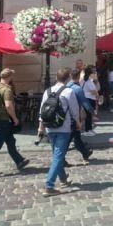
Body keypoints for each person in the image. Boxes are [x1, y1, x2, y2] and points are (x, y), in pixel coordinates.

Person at [39, 67, 80, 197]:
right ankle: (49, 185)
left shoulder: (47, 91)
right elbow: (74, 111)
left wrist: (41, 127)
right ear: (68, 78)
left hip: (50, 127)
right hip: (63, 127)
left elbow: (42, 111)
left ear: (56, 77)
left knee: (57, 154)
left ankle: (63, 179)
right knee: (58, 156)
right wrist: (78, 122)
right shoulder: (68, 91)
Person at [66, 69, 93, 164]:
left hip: (66, 115)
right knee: (70, 137)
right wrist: (92, 112)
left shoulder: (66, 86)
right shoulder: (77, 89)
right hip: (75, 116)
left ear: (70, 75)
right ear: (78, 77)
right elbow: (85, 102)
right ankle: (60, 157)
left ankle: (85, 153)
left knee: (76, 137)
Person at [81, 65, 99, 136]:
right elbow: (93, 91)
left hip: (87, 98)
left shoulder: (83, 80)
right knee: (88, 115)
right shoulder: (88, 81)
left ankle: (89, 129)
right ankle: (87, 130)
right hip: (89, 98)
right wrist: (97, 95)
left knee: (88, 115)